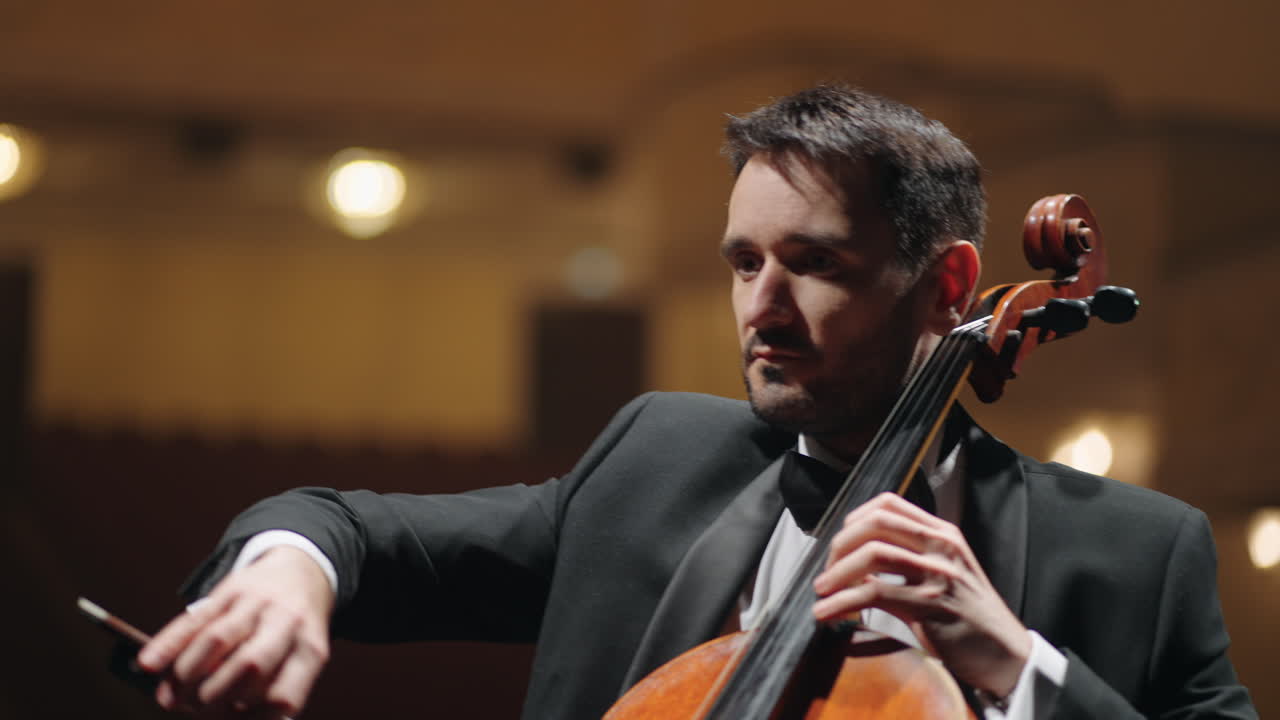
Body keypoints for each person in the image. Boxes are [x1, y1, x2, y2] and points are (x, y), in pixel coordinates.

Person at [137, 85, 1255, 719]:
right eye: (739, 262)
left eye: (812, 263)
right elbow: (354, 530)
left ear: (949, 287)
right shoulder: (655, 460)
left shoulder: (1133, 556)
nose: (760, 308)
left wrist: (1017, 665)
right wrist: (288, 573)